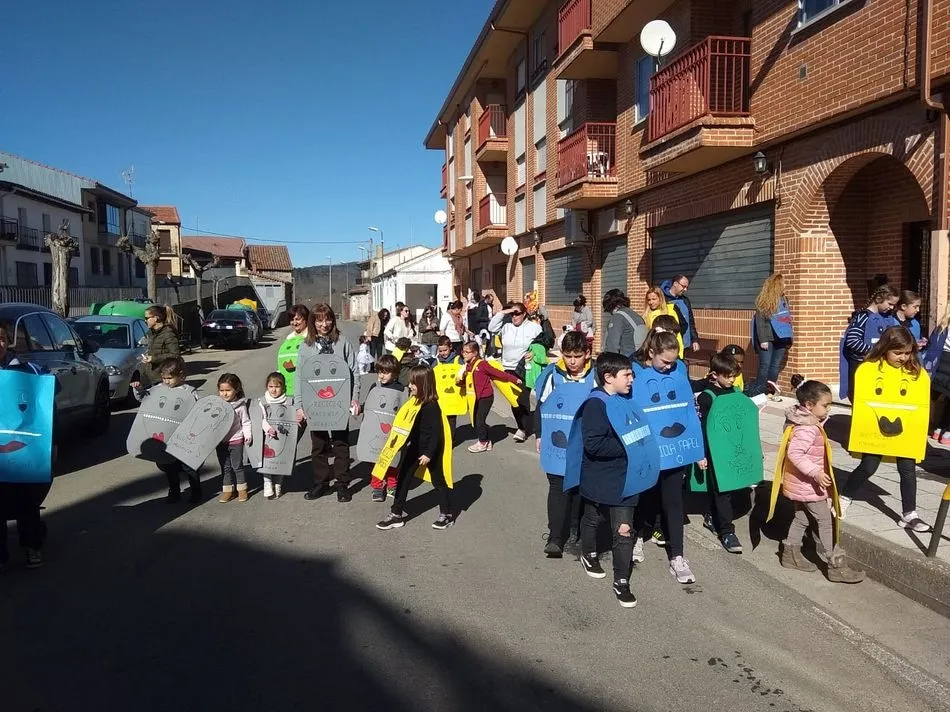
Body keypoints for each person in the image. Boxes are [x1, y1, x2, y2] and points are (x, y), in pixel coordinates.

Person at [768, 380, 865, 583]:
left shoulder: (805, 421)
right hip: (808, 485)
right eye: (825, 405)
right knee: (826, 521)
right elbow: (795, 453)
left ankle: (790, 554)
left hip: (801, 484)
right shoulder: (807, 428)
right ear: (809, 405)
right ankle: (836, 565)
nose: (829, 408)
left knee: (802, 518)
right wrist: (816, 473)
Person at [631, 330, 705, 584]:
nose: (668, 366)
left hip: (676, 451)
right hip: (650, 450)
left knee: (674, 502)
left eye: (673, 362)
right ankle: (637, 537)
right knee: (645, 499)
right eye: (664, 361)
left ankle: (678, 556)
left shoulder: (680, 371)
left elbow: (689, 411)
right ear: (651, 353)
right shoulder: (637, 375)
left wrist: (698, 451)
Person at [839, 327, 930, 531]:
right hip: (876, 429)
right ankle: (844, 497)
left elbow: (919, 404)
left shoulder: (915, 372)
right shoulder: (870, 369)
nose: (903, 357)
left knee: (907, 470)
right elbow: (864, 400)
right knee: (869, 466)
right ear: (885, 348)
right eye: (897, 353)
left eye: (907, 353)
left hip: (904, 430)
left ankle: (909, 513)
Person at [575, 352, 641, 609]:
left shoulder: (628, 399)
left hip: (626, 478)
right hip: (600, 476)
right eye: (627, 375)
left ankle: (621, 581)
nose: (631, 379)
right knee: (593, 517)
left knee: (624, 530)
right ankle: (589, 554)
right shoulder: (596, 405)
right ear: (608, 377)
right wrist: (628, 443)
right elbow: (593, 444)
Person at [534, 331, 596, 558]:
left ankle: (575, 529)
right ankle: (555, 537)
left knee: (579, 488)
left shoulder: (596, 375)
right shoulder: (553, 375)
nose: (572, 361)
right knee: (558, 488)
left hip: (585, 442)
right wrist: (539, 434)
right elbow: (540, 406)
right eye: (567, 356)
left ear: (587, 354)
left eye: (577, 356)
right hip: (557, 442)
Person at [294, 304, 361, 503]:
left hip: (339, 403)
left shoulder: (343, 343)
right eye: (319, 320)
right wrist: (299, 406)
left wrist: (354, 398)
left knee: (341, 445)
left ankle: (342, 484)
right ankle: (321, 483)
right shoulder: (305, 347)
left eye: (328, 319)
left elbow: (354, 372)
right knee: (319, 446)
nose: (324, 324)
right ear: (313, 323)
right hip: (315, 405)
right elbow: (300, 377)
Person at [376, 365, 455, 531]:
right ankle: (396, 514)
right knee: (403, 478)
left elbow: (436, 434)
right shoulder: (414, 402)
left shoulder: (432, 406)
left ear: (424, 384)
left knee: (439, 481)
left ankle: (446, 514)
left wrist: (429, 454)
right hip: (413, 448)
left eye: (413, 383)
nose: (409, 386)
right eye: (410, 382)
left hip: (429, 451)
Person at [0, 322, 51, 570]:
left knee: (26, 503)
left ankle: (32, 546)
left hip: (23, 451)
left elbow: (48, 395)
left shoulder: (27, 368)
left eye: (0, 338)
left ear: (7, 341)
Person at [696, 353, 745, 553]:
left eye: (734, 376)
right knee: (722, 491)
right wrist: (702, 454)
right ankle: (727, 532)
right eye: (728, 376)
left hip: (731, 449)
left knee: (726, 490)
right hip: (715, 452)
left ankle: (710, 515)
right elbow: (704, 427)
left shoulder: (734, 391)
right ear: (715, 375)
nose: (732, 380)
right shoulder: (708, 396)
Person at [488, 302, 541, 442]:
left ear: (524, 314)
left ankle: (524, 428)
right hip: (507, 368)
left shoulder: (534, 328)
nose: (514, 316)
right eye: (512, 314)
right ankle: (522, 426)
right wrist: (505, 311)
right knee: (514, 401)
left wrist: (534, 353)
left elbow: (544, 343)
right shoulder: (506, 327)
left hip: (525, 368)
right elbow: (491, 327)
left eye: (517, 313)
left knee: (523, 398)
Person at [153, 357, 202, 503]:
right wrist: (137, 390)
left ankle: (196, 492)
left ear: (181, 376)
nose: (166, 381)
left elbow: (198, 412)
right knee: (169, 466)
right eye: (163, 378)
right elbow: (146, 401)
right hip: (168, 436)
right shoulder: (161, 390)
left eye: (169, 378)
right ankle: (174, 492)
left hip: (185, 437)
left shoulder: (190, 392)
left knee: (190, 467)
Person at [458, 340, 521, 452]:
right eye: (463, 352)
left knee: (479, 420)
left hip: (485, 397)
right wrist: (459, 379)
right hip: (475, 397)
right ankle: (486, 440)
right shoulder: (468, 365)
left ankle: (483, 442)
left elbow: (499, 373)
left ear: (475, 353)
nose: (464, 354)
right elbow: (467, 382)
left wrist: (515, 379)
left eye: (467, 352)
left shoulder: (482, 365)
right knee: (477, 419)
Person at [839, 283, 899, 401]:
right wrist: (875, 351)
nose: (891, 308)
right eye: (890, 303)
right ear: (878, 299)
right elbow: (852, 341)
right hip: (860, 366)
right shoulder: (864, 317)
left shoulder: (884, 318)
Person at [364, 354, 405, 503]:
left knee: (392, 459)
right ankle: (377, 486)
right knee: (376, 460)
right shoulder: (375, 387)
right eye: (380, 372)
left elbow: (404, 411)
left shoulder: (401, 390)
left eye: (385, 372)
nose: (381, 375)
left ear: (395, 373)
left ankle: (392, 484)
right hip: (375, 429)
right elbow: (369, 405)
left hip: (392, 431)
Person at [752, 273, 793, 396]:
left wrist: (790, 337)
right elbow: (760, 321)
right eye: (783, 283)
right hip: (767, 337)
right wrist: (763, 339)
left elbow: (788, 319)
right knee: (765, 364)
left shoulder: (784, 300)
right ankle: (759, 390)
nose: (785, 285)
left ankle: (770, 390)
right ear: (777, 285)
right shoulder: (764, 300)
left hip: (781, 338)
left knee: (775, 366)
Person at [216, 373, 252, 503]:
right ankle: (228, 491)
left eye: (228, 390)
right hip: (220, 441)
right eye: (221, 390)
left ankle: (242, 490)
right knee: (225, 467)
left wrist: (247, 435)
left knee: (237, 466)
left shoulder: (240, 406)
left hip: (236, 440)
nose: (224, 394)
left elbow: (246, 422)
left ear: (236, 390)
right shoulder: (216, 405)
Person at [133, 304, 180, 392]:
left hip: (163, 379)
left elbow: (175, 355)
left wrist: (153, 359)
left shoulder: (168, 334)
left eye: (147, 318)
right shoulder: (151, 333)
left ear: (155, 318)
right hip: (151, 378)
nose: (145, 320)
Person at [259, 371, 290, 500]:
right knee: (267, 462)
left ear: (283, 387)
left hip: (283, 437)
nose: (274, 390)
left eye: (277, 387)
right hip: (268, 436)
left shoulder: (288, 401)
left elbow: (292, 418)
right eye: (271, 387)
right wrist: (267, 428)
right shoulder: (263, 401)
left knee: (281, 461)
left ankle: (278, 484)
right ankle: (267, 484)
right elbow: (261, 418)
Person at [922, 306, 950, 444]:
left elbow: (931, 347)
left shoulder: (942, 327)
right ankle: (946, 433)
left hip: (939, 366)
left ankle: (936, 430)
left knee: (937, 399)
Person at [661, 274, 701, 353]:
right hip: (667, 345)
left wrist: (694, 340)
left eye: (687, 287)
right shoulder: (663, 299)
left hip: (684, 344)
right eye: (683, 286)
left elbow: (690, 321)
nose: (685, 289)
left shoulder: (685, 300)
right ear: (675, 284)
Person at [602, 289, 646, 359]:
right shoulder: (636, 315)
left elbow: (612, 346)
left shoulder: (618, 317)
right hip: (640, 359)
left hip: (626, 361)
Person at [280, 304, 310, 396]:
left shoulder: (311, 338)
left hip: (307, 389)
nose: (294, 322)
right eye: (292, 320)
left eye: (297, 319)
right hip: (288, 389)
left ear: (306, 319)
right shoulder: (289, 338)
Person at [643, 287, 683, 357]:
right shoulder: (646, 315)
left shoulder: (671, 309)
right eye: (649, 300)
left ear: (660, 298)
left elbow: (680, 328)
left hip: (673, 347)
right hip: (657, 350)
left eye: (654, 299)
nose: (651, 302)